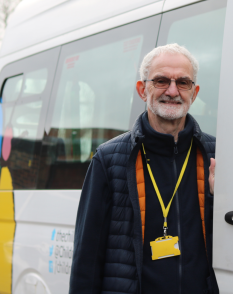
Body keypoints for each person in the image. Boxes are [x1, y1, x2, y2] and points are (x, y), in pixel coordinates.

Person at [69, 43, 218, 294]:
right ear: (142, 89)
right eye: (161, 81)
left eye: (183, 82)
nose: (172, 91)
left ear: (194, 93)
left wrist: (221, 198)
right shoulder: (108, 159)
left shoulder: (216, 155)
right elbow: (87, 257)